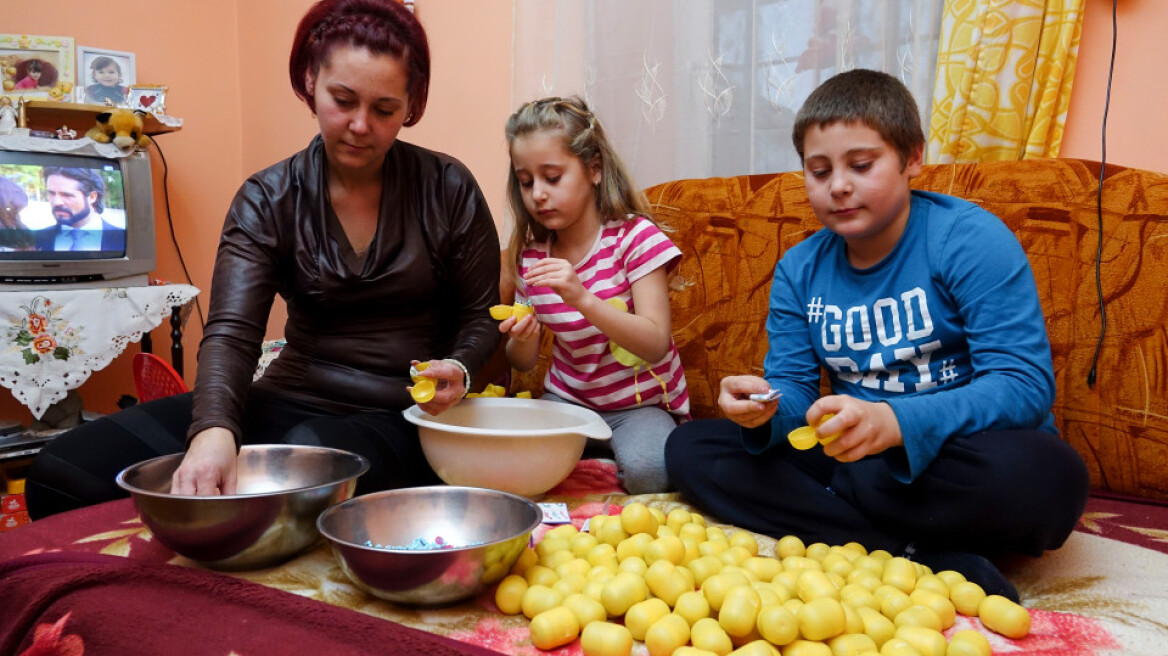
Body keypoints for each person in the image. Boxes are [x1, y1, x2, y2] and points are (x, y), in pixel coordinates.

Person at [25, 0, 501, 517]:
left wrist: (459, 367)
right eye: (343, 100)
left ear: (411, 106)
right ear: (311, 82)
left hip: (401, 413)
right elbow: (231, 333)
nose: (361, 125)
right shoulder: (268, 197)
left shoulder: (447, 187)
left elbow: (480, 316)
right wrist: (213, 431)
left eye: (384, 110)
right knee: (62, 473)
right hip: (288, 395)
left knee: (301, 475)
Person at [664, 69, 1089, 601]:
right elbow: (795, 390)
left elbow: (1023, 383)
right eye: (818, 171)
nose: (838, 185)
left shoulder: (968, 239)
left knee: (1055, 477)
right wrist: (765, 410)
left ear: (913, 158)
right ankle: (920, 557)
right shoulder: (800, 269)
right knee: (690, 449)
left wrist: (895, 423)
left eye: (860, 165)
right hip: (854, 459)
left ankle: (860, 525)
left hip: (954, 459)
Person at [500, 96, 689, 494]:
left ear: (594, 170)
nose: (537, 194)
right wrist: (524, 336)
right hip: (567, 401)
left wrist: (582, 298)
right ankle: (594, 463)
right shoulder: (531, 256)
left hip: (639, 406)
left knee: (650, 472)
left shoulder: (634, 238)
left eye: (552, 177)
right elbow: (522, 362)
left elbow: (656, 343)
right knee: (513, 463)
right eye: (526, 181)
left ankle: (595, 463)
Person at [35, 167, 126, 253]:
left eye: (67, 195)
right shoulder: (37, 239)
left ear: (92, 197)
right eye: (51, 193)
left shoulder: (122, 238)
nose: (56, 202)